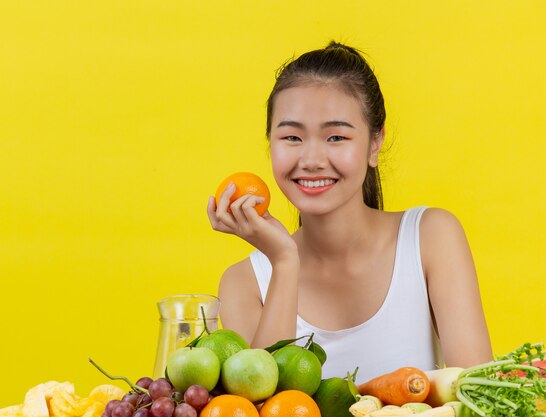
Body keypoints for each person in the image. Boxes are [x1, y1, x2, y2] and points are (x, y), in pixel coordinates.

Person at [206, 41, 492, 382]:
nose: (311, 160)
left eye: (336, 137)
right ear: (271, 143)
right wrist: (284, 261)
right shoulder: (243, 283)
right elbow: (265, 403)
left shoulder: (430, 238)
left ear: (374, 143)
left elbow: (477, 397)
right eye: (293, 138)